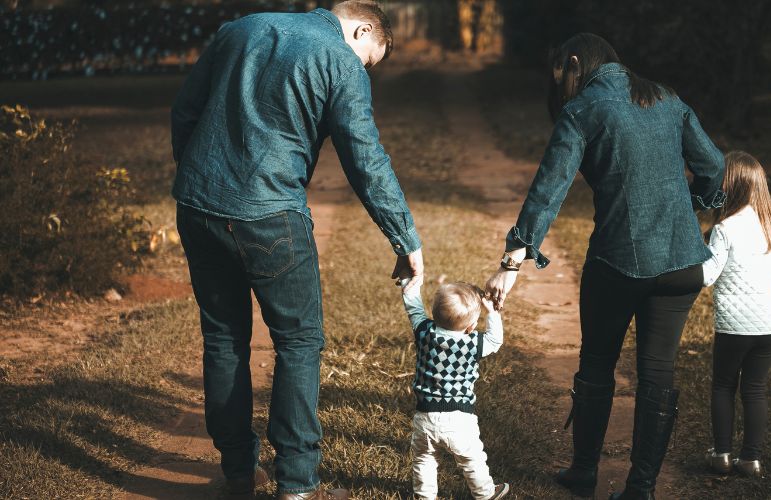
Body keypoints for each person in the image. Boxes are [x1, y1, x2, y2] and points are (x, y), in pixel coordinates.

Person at [170, 2, 424, 499]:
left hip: (198, 206)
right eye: (370, 58)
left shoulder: (240, 28)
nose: (364, 68)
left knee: (223, 338)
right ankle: (299, 484)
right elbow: (365, 159)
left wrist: (197, 174)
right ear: (363, 27)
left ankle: (239, 472)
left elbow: (184, 109)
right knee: (299, 342)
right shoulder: (340, 60)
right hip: (270, 214)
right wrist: (405, 238)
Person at [485, 33, 726, 500]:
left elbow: (548, 189)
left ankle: (583, 471)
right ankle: (640, 489)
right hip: (682, 265)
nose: (563, 89)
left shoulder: (584, 109)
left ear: (575, 63)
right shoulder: (667, 97)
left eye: (563, 77)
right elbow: (713, 166)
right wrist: (689, 207)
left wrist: (511, 261)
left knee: (597, 363)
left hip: (618, 261)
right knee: (658, 372)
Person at [701, 151, 771, 478]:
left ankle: (722, 456)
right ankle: (752, 460)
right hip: (768, 326)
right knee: (755, 389)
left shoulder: (725, 229)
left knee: (723, 387)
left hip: (732, 328)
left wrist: (691, 256)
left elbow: (708, 276)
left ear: (728, 187)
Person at [398, 279, 510, 500]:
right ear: (470, 327)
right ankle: (485, 493)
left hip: (425, 416)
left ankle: (424, 497)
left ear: (435, 314)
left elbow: (414, 309)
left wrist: (409, 284)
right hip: (460, 419)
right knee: (472, 459)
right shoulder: (473, 343)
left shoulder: (424, 333)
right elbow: (495, 340)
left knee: (424, 460)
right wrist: (492, 313)